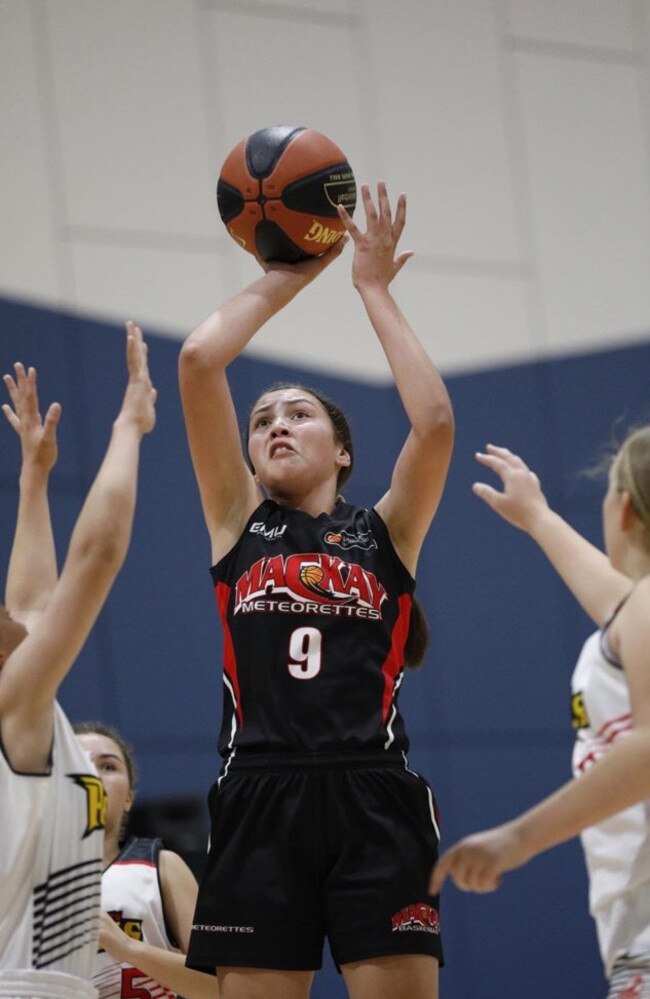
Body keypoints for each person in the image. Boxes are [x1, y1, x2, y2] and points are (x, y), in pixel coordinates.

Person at [178, 181, 454, 999]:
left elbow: (434, 423)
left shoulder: (385, 531)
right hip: (260, 792)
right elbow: (198, 360)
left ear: (342, 452)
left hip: (374, 792)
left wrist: (371, 286)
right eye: (262, 420)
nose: (275, 427)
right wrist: (295, 268)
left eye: (298, 415)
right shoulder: (237, 521)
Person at [430, 436, 650, 997]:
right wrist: (537, 517)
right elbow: (616, 604)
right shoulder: (637, 610)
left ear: (622, 508)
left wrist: (517, 839)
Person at [0, 324, 156, 999]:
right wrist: (130, 425)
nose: (10, 615)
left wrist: (34, 483)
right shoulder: (15, 712)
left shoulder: (25, 719)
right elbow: (94, 561)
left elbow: (34, 602)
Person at [74, 722, 220, 999]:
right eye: (77, 761)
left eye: (107, 766)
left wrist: (128, 948)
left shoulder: (161, 866)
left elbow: (220, 987)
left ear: (129, 798)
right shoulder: (19, 877)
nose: (92, 773)